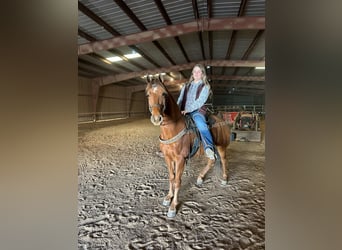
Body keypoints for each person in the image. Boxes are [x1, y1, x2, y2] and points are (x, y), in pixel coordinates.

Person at [177, 64, 215, 160]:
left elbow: (200, 102)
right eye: (195, 71)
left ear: (202, 74)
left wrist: (188, 110)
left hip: (197, 111)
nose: (197, 73)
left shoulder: (205, 86)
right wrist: (177, 108)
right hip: (183, 110)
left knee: (200, 124)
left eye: (199, 71)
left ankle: (208, 147)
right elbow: (180, 99)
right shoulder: (186, 85)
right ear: (192, 73)